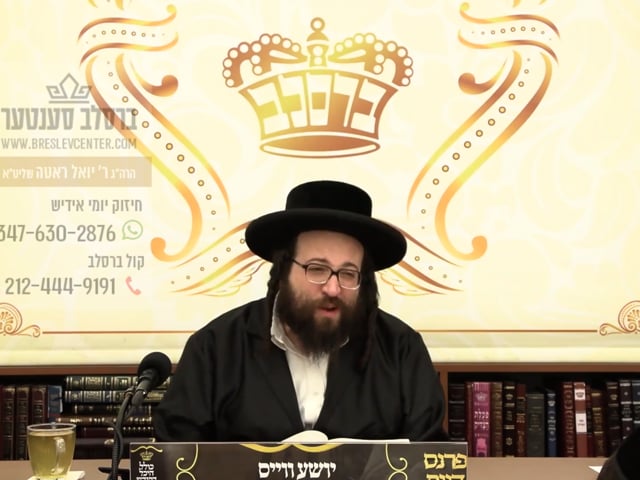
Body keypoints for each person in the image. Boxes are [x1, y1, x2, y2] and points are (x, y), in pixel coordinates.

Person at [153, 180, 447, 442]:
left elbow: (430, 457)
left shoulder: (401, 350)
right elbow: (176, 455)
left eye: (348, 274)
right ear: (282, 270)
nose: (333, 288)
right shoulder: (215, 348)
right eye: (317, 269)